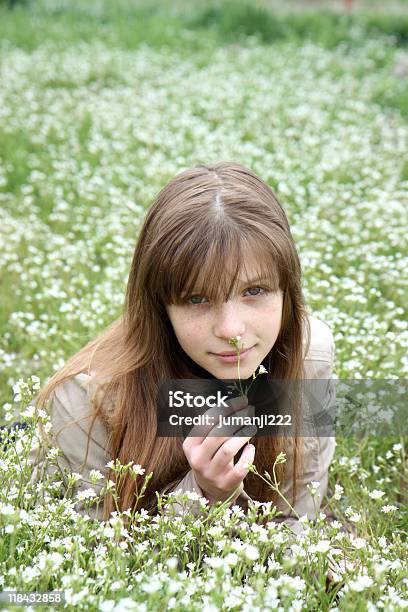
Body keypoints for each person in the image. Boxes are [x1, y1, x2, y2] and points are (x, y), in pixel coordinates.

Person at [28, 160, 336, 537]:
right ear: (161, 307)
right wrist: (204, 494)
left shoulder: (309, 355)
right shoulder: (83, 398)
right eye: (196, 299)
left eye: (254, 291)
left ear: (287, 289)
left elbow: (299, 527)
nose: (231, 330)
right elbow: (97, 565)